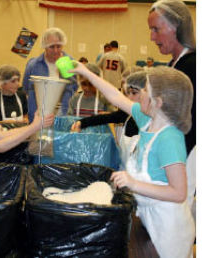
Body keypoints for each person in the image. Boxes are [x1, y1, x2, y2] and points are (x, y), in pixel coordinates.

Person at [70, 62, 195, 258]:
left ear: (158, 102)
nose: (140, 93)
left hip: (168, 228)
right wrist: (86, 73)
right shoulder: (148, 121)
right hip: (149, 216)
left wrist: (133, 183)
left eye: (145, 89)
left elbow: (178, 193)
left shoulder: (169, 138)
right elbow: (115, 96)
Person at [148, 0, 196, 211]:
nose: (152, 37)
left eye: (156, 29)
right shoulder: (174, 65)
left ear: (176, 26)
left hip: (186, 160)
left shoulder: (193, 66)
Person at [71, 70, 146, 169]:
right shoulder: (127, 114)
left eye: (134, 93)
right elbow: (105, 118)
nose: (129, 97)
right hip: (125, 170)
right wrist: (82, 122)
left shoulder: (148, 119)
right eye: (127, 93)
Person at [22, 27, 78, 123]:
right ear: (44, 46)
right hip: (37, 116)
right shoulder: (33, 65)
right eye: (52, 47)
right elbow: (26, 88)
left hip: (62, 114)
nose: (56, 50)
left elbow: (74, 87)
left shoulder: (69, 63)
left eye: (59, 46)